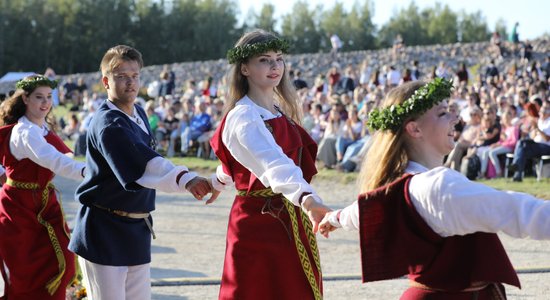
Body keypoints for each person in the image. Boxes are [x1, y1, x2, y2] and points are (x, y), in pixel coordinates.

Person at [319, 78, 550, 299]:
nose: (456, 118)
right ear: (414, 129)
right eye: (442, 113)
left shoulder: (397, 184)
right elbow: (520, 212)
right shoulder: (438, 187)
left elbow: (358, 212)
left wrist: (334, 217)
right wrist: (336, 217)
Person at [68, 45, 214, 300]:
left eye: (134, 75)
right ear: (106, 81)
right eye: (122, 76)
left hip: (136, 229)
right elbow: (145, 164)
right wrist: (187, 179)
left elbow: (150, 158)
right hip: (105, 230)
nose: (130, 82)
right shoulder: (108, 124)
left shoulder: (138, 112)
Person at [210, 29, 331, 300]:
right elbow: (272, 162)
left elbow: (242, 160)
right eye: (264, 60)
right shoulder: (244, 116)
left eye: (278, 58)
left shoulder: (277, 111)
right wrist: (308, 200)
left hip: (286, 216)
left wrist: (218, 181)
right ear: (245, 68)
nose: (275, 65)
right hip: (260, 222)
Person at [0, 75, 86, 299]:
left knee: (63, 262)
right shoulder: (24, 132)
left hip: (45, 203)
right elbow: (55, 161)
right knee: (25, 273)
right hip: (18, 206)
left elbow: (59, 159)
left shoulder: (42, 130)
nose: (45, 103)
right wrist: (91, 173)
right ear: (26, 99)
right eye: (39, 97)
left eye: (49, 97)